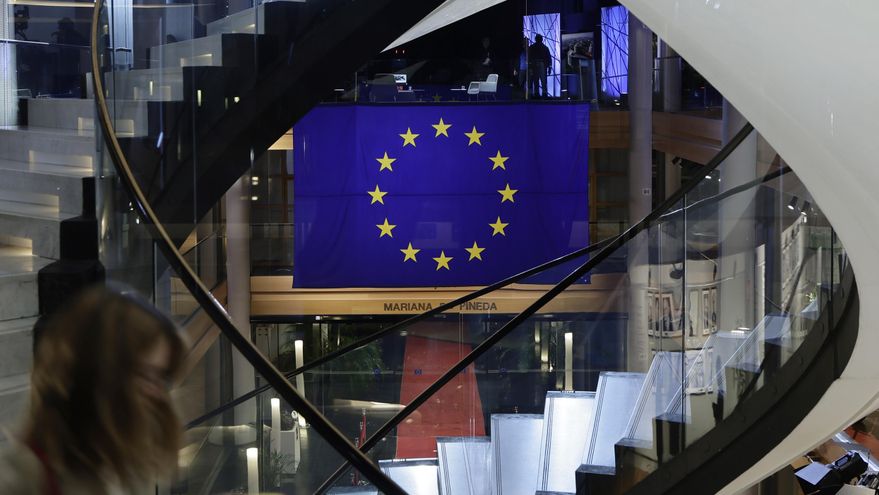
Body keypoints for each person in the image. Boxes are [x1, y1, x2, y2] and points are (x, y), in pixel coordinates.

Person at [0, 285, 187, 494]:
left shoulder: (126, 466)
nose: (157, 393)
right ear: (97, 374)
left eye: (161, 377)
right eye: (144, 375)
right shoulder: (21, 479)